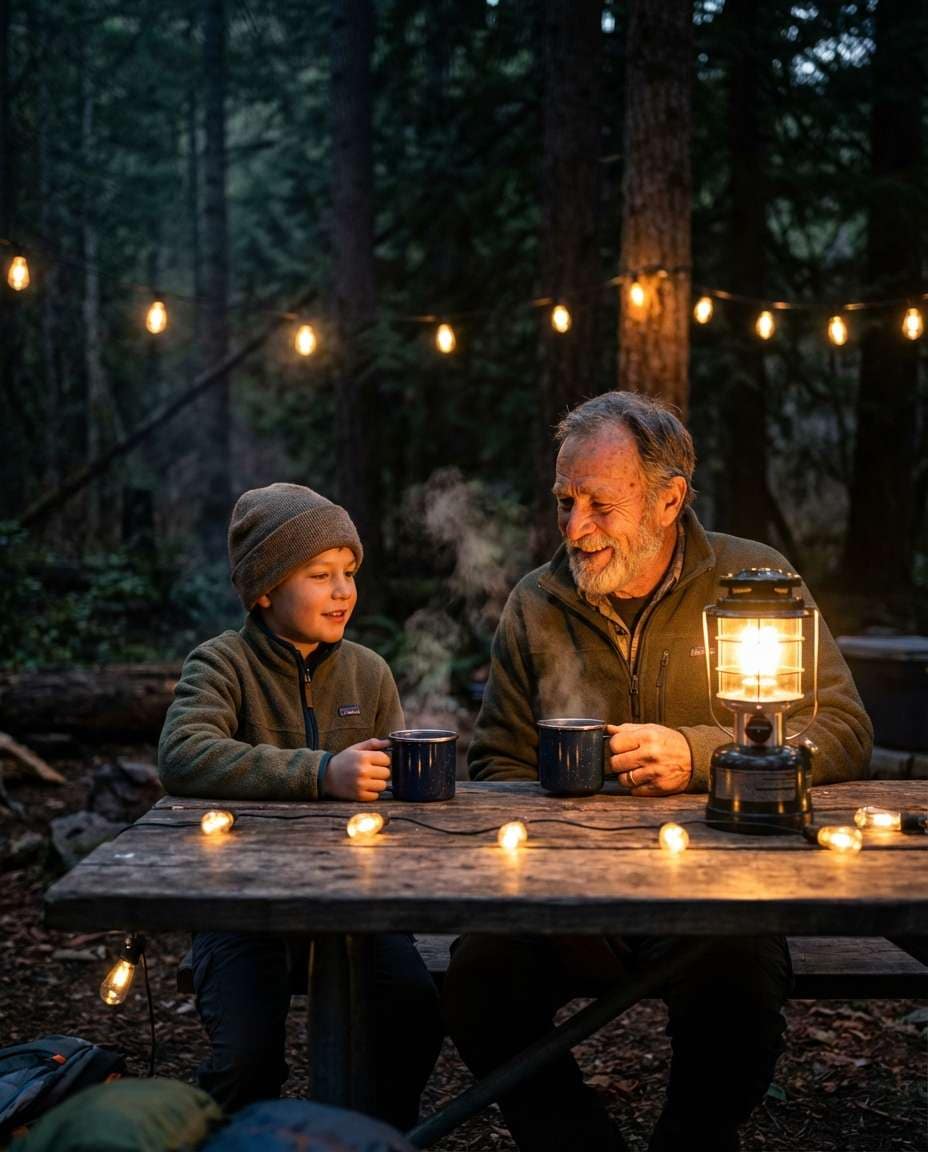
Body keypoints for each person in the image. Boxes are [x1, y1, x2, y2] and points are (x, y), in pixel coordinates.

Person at [442, 392, 873, 1152]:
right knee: (480, 972)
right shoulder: (536, 602)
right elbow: (496, 763)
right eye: (565, 501)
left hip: (714, 893)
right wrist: (564, 792)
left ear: (669, 498)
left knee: (739, 975)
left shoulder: (755, 581)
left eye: (600, 505)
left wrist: (698, 753)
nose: (575, 528)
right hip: (569, 893)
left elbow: (843, 727)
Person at [158, 483, 443, 1127]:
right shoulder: (222, 664)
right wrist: (321, 773)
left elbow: (392, 792)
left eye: (349, 574)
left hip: (358, 901)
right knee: (246, 1059)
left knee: (414, 1017)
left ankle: (371, 1135)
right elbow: (183, 753)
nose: (344, 590)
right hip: (240, 902)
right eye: (321, 575)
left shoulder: (369, 673)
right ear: (264, 589)